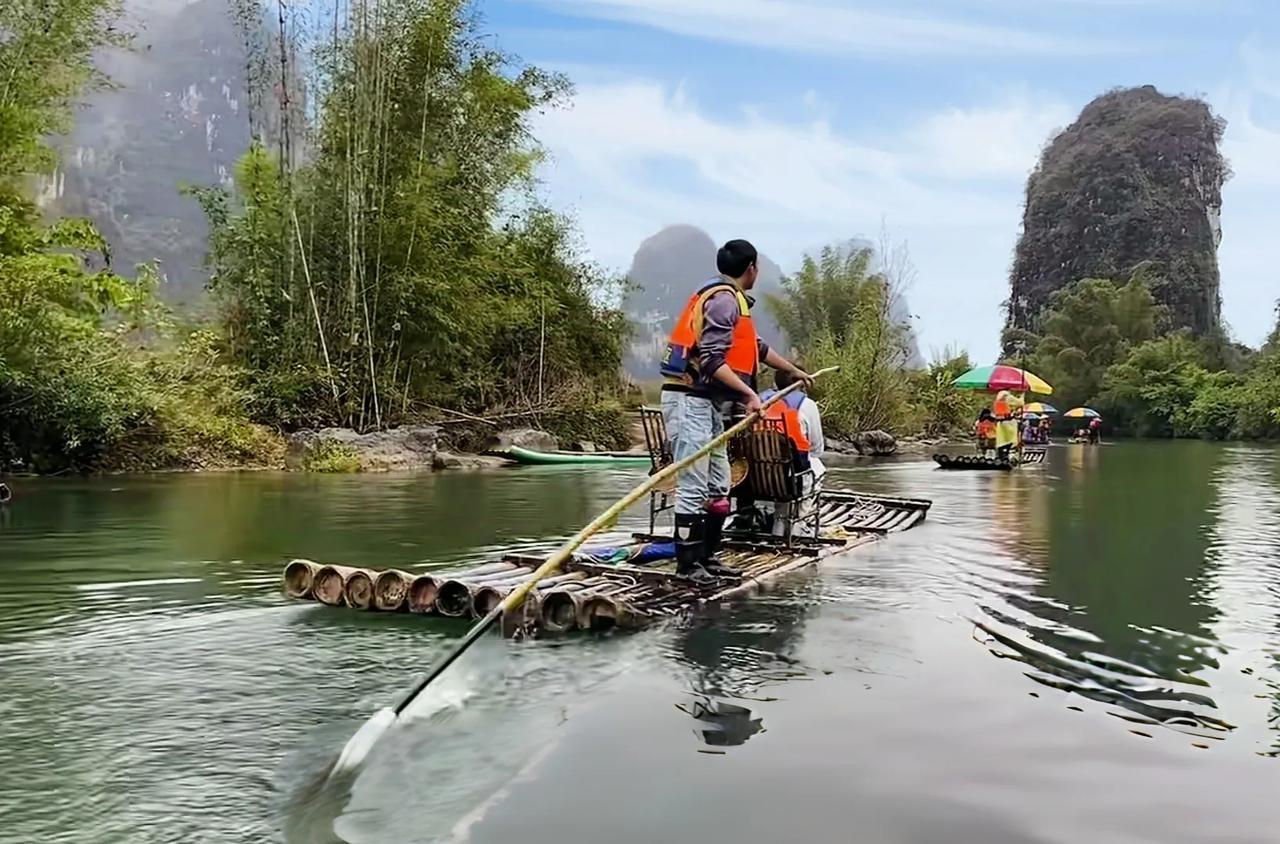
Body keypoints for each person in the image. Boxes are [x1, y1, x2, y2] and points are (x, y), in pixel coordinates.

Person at [659, 239, 812, 584]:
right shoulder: (724, 301)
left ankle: (708, 557)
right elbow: (712, 360)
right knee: (694, 485)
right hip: (689, 399)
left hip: (708, 403)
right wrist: (749, 396)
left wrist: (795, 371)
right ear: (752, 268)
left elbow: (756, 348)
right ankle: (687, 566)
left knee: (718, 485)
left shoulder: (732, 302)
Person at [757, 368, 825, 537]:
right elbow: (816, 448)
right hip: (790, 479)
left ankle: (778, 524)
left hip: (756, 479)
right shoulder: (806, 405)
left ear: (776, 383)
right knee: (816, 467)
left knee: (783, 470)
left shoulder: (757, 401)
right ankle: (798, 526)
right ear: (801, 384)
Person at [993, 389, 1023, 461]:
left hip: (1000, 423)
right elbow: (1020, 403)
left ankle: (1000, 455)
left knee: (1001, 441)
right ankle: (1006, 455)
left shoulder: (998, 400)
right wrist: (1022, 395)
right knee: (1011, 440)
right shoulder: (1009, 398)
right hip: (1009, 423)